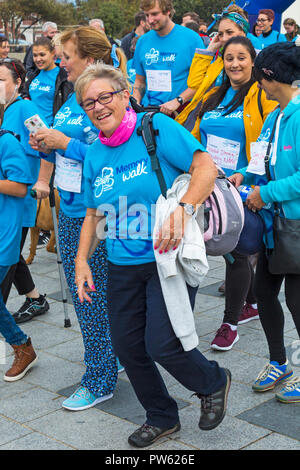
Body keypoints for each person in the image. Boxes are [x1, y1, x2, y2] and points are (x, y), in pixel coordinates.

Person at [74, 62, 231, 448]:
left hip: (165, 259)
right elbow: (94, 213)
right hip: (120, 264)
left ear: (125, 95)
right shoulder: (95, 153)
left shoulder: (154, 128)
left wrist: (184, 209)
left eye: (104, 97)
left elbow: (205, 167)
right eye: (88, 102)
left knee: (162, 343)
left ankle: (212, 381)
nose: (97, 107)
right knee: (128, 346)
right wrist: (80, 261)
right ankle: (161, 416)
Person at [29, 26, 127, 412]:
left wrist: (63, 143)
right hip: (70, 207)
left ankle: (99, 377)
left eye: (65, 55)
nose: (59, 62)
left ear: (88, 57)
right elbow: (67, 147)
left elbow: (113, 155)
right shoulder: (73, 94)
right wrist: (45, 143)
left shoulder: (109, 97)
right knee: (93, 293)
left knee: (89, 294)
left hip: (95, 212)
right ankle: (110, 359)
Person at [192, 36, 277, 350]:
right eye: (229, 58)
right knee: (229, 248)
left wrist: (249, 174)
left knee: (236, 252)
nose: (235, 64)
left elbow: (269, 140)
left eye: (242, 57)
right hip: (213, 185)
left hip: (244, 188)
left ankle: (230, 323)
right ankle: (251, 302)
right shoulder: (215, 95)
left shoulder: (261, 94)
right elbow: (195, 134)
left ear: (252, 61)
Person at [230, 41, 300, 403]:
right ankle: (278, 362)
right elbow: (261, 160)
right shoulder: (276, 115)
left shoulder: (299, 115)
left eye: (260, 75)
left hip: (296, 227)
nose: (258, 82)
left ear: (271, 77)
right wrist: (243, 175)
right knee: (265, 292)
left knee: (297, 300)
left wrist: (266, 193)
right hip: (276, 229)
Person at [0, 59, 49, 323]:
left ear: (18, 83)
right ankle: (34, 298)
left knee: (6, 256)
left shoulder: (25, 107)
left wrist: (42, 182)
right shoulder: (3, 109)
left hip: (19, 196)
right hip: (4, 197)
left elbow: (46, 142)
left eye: (1, 80)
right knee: (10, 253)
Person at [0, 104, 38, 382]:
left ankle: (21, 346)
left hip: (3, 235)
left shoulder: (7, 142)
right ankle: (21, 345)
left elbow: (19, 187)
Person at [176, 4, 258, 131]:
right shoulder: (219, 61)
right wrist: (208, 51)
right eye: (220, 34)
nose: (224, 38)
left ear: (243, 32)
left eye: (229, 32)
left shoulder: (256, 61)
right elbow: (194, 84)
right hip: (206, 123)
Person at [132, 0, 204, 116]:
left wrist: (178, 101)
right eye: (147, 15)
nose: (150, 20)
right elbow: (139, 82)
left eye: (155, 14)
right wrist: (135, 101)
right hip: (152, 113)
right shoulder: (142, 41)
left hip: (183, 112)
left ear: (168, 11)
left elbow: (202, 81)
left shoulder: (192, 39)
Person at [23, 37, 73, 126]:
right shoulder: (33, 76)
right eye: (35, 55)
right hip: (33, 129)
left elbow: (67, 106)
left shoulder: (63, 77)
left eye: (42, 55)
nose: (38, 59)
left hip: (53, 130)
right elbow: (25, 95)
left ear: (53, 53)